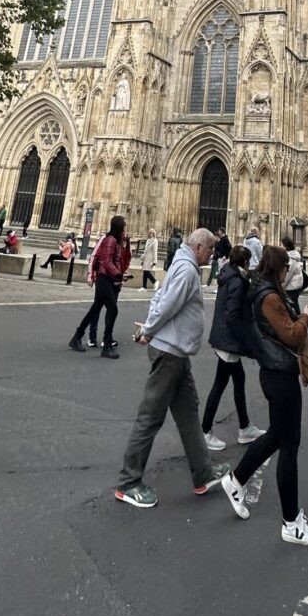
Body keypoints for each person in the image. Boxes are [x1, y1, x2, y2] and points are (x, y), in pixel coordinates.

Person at [114, 227, 229, 507]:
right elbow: (166, 304)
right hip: (169, 352)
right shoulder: (188, 270)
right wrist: (149, 330)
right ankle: (129, 482)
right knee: (150, 416)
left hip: (177, 352)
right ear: (199, 247)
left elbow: (159, 299)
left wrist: (150, 327)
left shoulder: (182, 263)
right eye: (211, 249)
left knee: (189, 412)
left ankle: (203, 472)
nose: (213, 255)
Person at [221, 244, 308, 546]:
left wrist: (303, 315)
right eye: (285, 269)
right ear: (277, 270)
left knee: (277, 437)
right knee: (289, 445)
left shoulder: (267, 291)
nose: (287, 273)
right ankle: (291, 523)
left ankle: (236, 479)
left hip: (277, 371)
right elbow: (291, 334)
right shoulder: (268, 296)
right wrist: (305, 318)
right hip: (278, 374)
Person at [202, 245, 265, 451]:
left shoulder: (227, 274)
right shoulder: (237, 281)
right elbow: (232, 315)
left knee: (238, 380)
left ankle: (245, 427)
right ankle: (205, 431)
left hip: (225, 338)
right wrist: (245, 343)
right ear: (245, 262)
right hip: (229, 341)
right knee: (219, 385)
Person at [70, 214, 131, 359]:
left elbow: (122, 259)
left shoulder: (118, 241)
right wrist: (118, 275)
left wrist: (126, 244)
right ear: (119, 227)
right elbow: (106, 261)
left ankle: (76, 337)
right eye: (124, 226)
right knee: (113, 309)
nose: (125, 229)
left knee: (95, 310)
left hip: (110, 279)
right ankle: (107, 345)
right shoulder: (109, 240)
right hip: (105, 279)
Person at [282, 235, 306, 308]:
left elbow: (287, 276)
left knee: (293, 306)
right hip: (293, 286)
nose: (280, 246)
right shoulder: (290, 257)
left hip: (292, 287)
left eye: (281, 244)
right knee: (293, 305)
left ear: (285, 246)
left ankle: (298, 318)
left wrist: (280, 288)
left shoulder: (291, 259)